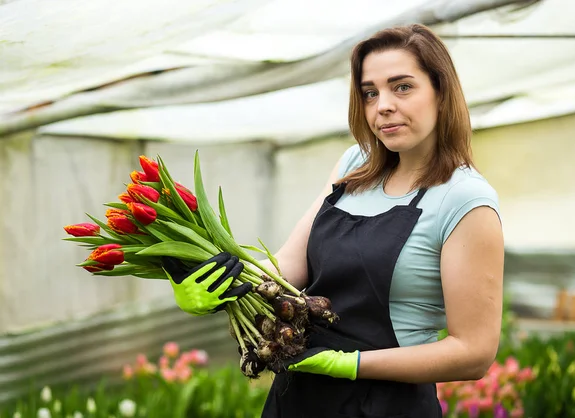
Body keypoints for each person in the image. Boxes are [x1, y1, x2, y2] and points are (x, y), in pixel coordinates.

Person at [165, 24, 504, 418]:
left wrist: (351, 364)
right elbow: (287, 269)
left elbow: (474, 353)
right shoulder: (354, 165)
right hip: (299, 398)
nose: (383, 106)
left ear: (441, 93)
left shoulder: (465, 199)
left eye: (403, 87)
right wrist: (218, 286)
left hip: (387, 406)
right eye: (370, 93)